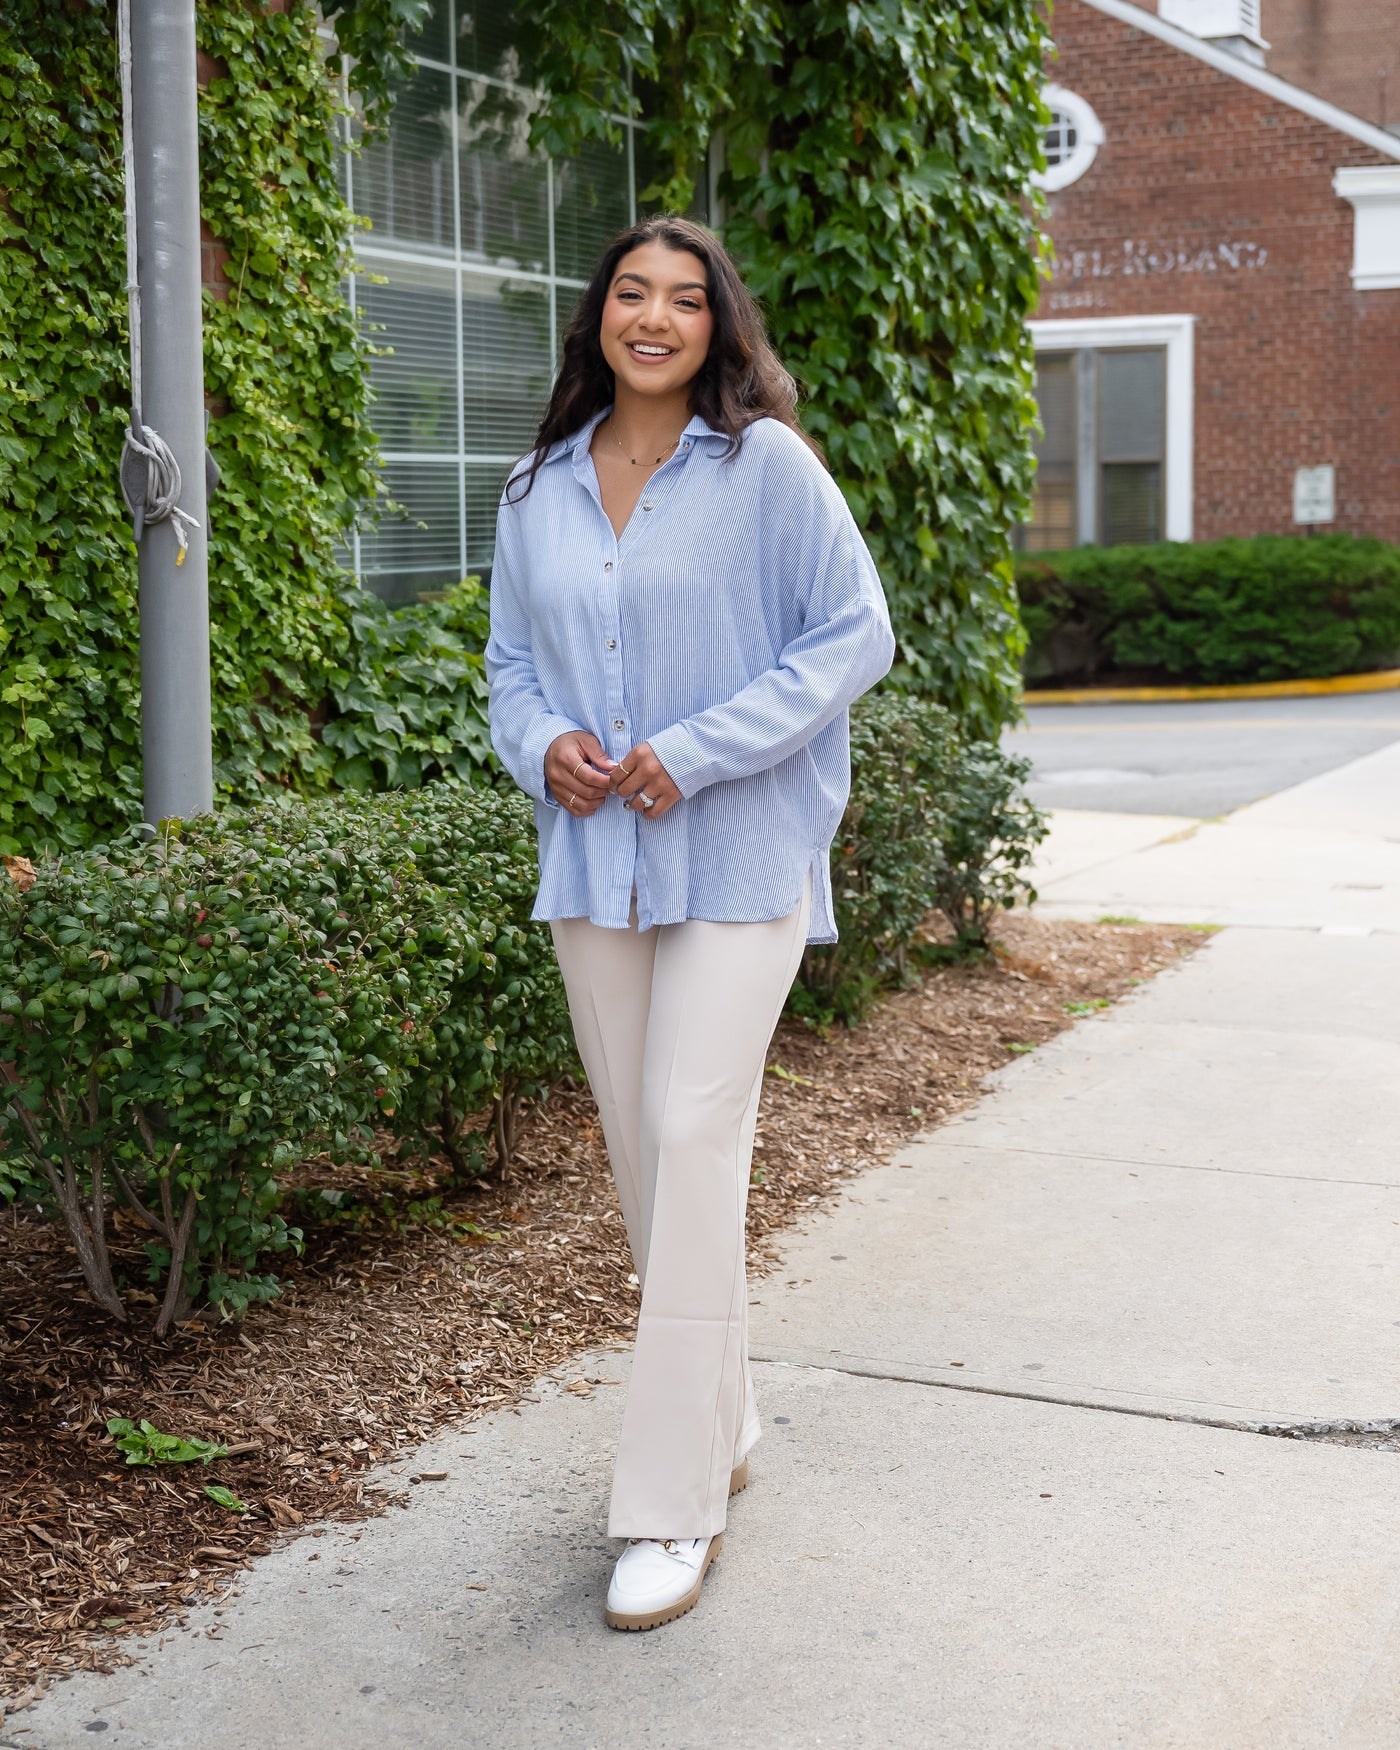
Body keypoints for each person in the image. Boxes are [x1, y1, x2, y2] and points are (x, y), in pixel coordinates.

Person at [485, 213, 895, 1631]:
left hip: (738, 852)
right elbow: (506, 666)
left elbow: (853, 633)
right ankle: (721, 1415)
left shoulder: (765, 467)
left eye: (682, 299)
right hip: (595, 866)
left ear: (719, 324)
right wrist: (542, 745)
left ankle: (672, 1507)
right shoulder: (535, 484)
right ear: (596, 316)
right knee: (645, 1160)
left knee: (696, 1132)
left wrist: (699, 746)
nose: (651, 317)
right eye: (627, 294)